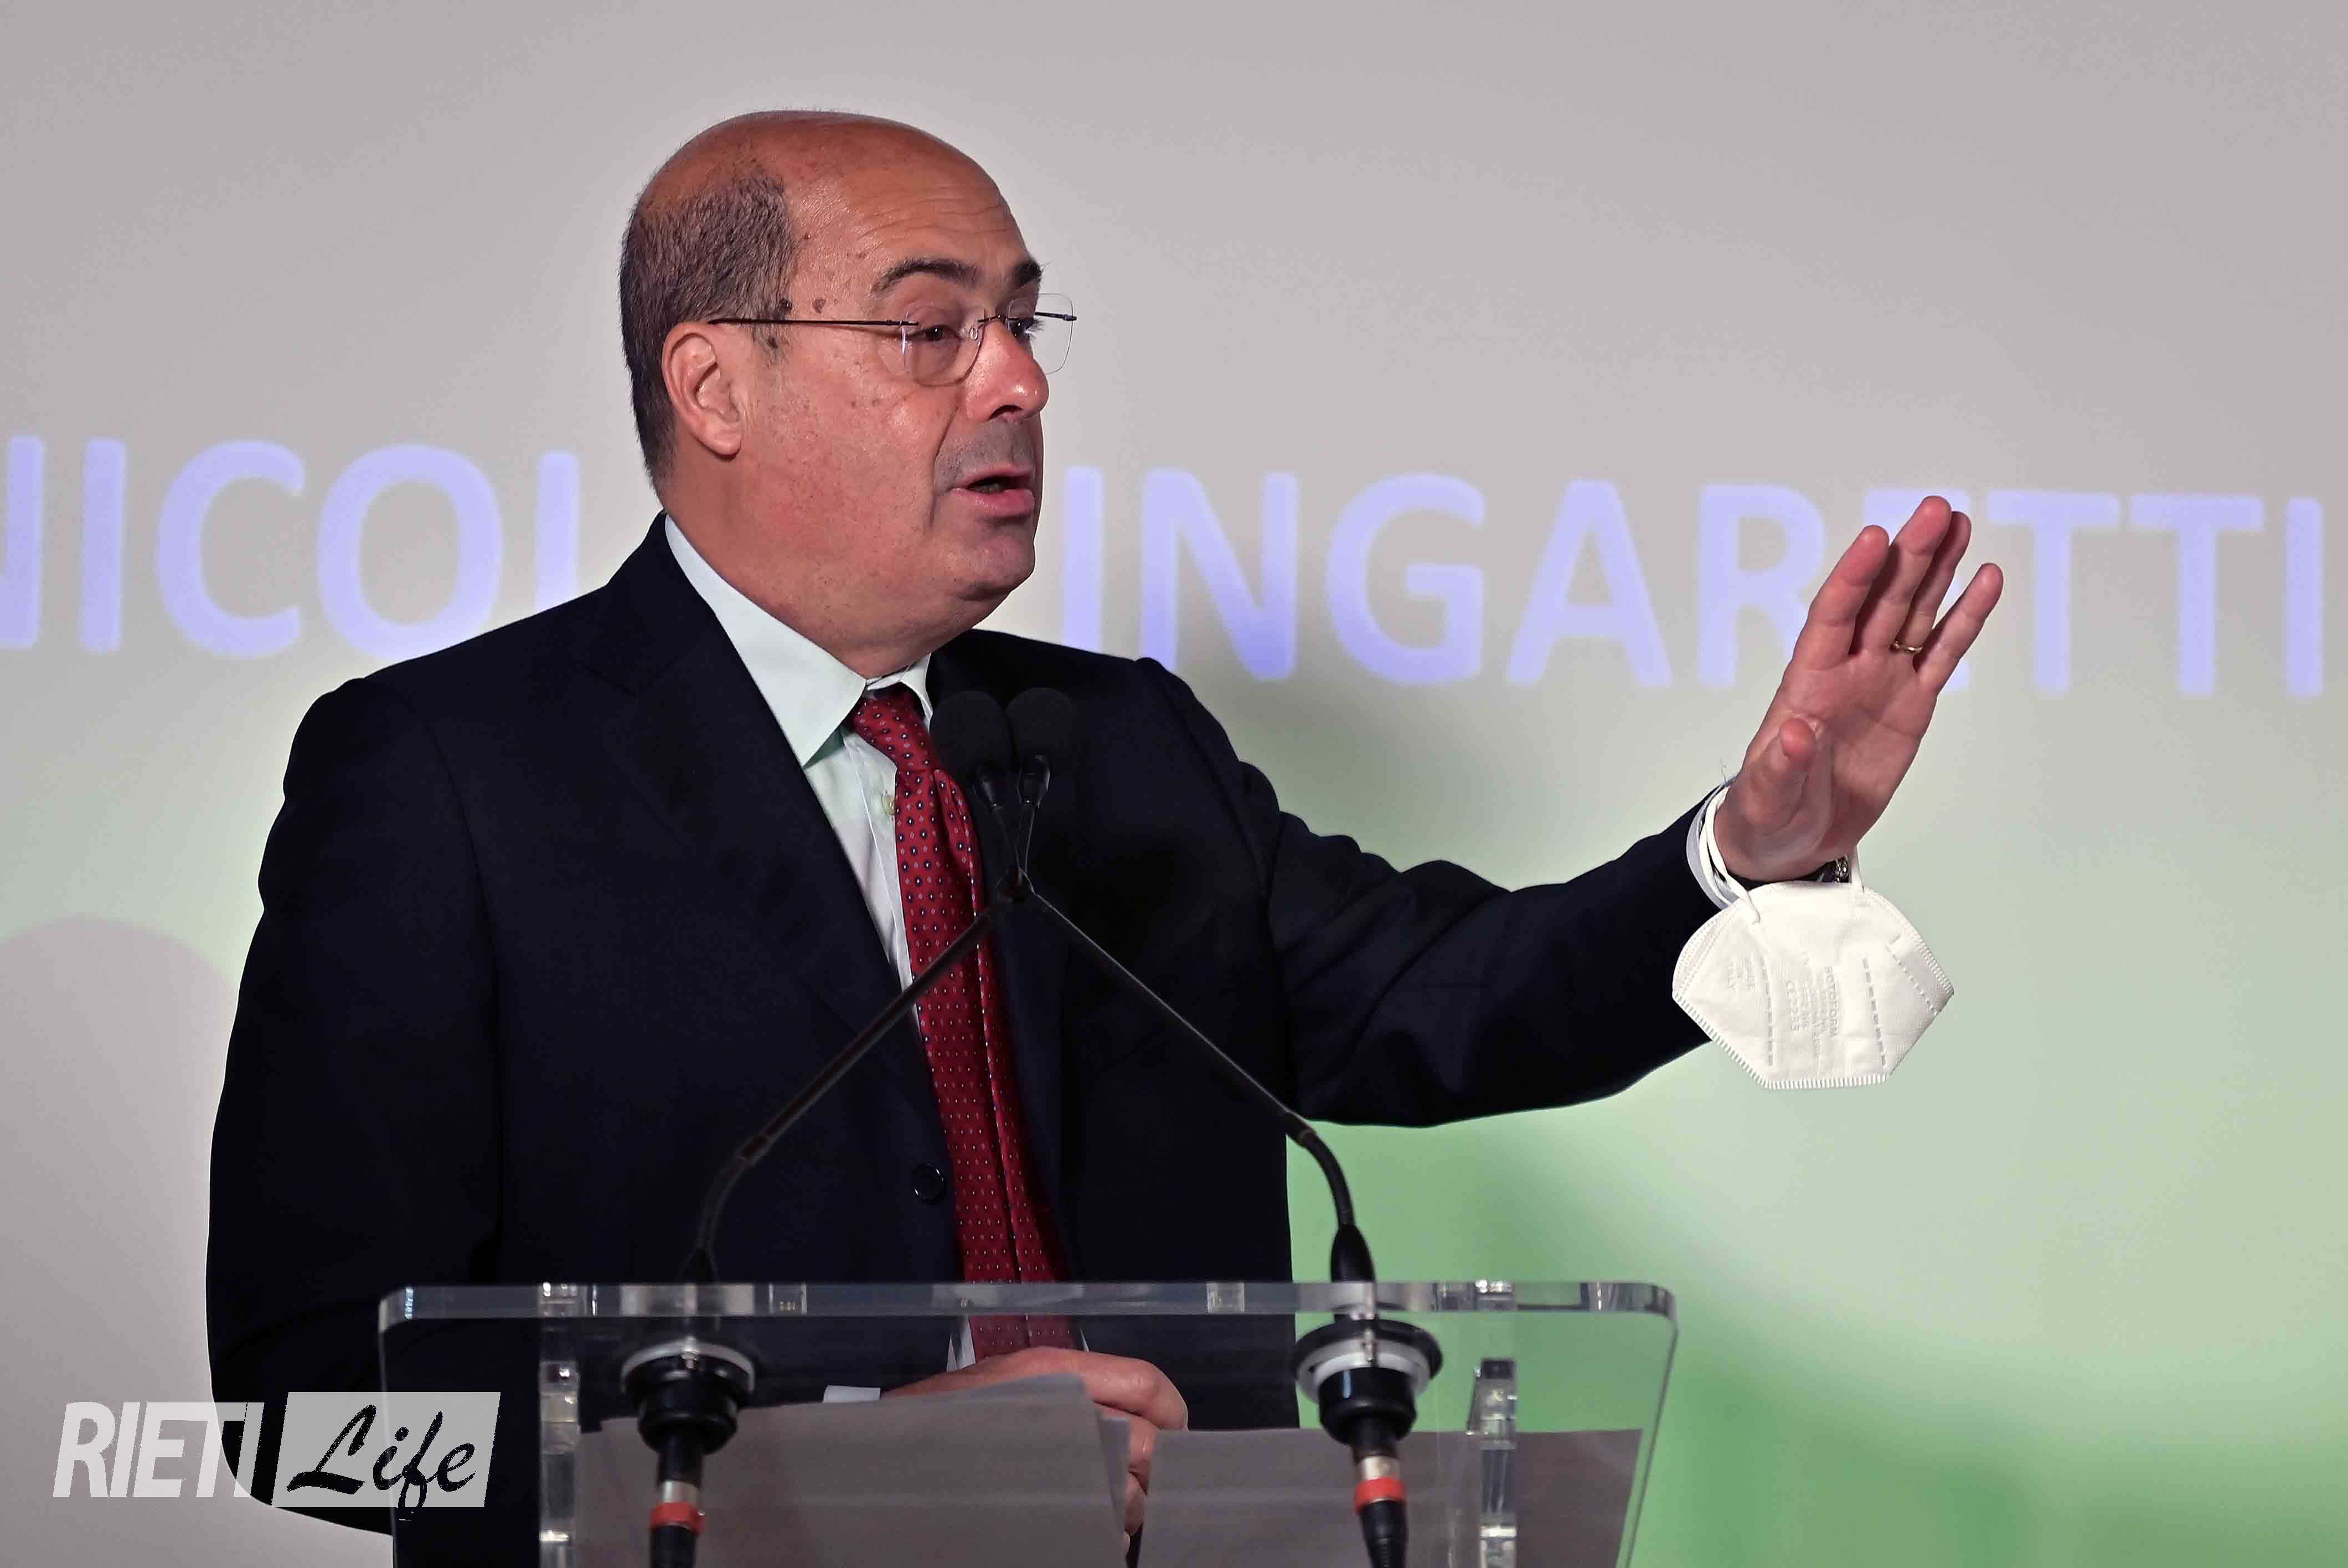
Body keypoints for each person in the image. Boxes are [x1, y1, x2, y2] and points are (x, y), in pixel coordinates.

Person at [205, 111, 2001, 1548]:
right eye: (931, 329)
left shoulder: (1117, 746)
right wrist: (830, 1476)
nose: (1018, 385)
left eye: (1021, 323)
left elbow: (1457, 996)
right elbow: (308, 1417)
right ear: (715, 386)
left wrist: (1747, 850)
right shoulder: (444, 777)